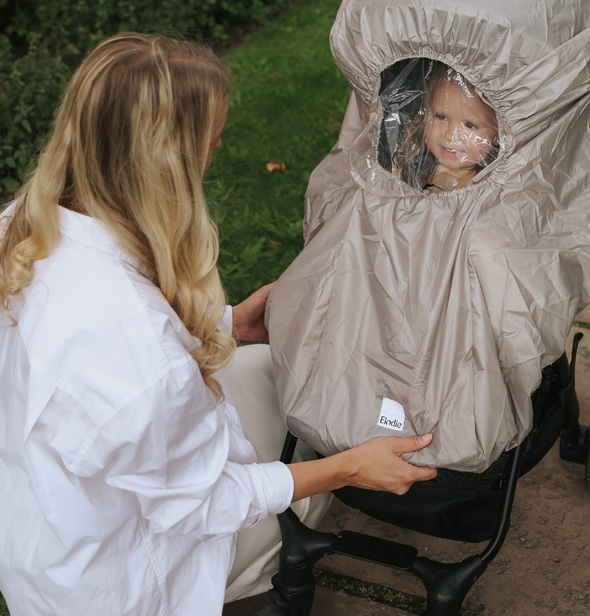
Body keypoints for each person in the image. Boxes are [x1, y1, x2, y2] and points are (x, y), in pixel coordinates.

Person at [0, 33, 436, 616]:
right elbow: (204, 503)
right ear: (163, 164)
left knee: (268, 369)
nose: (218, 150)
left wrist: (225, 319)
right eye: (209, 143)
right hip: (123, 580)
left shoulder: (22, 227)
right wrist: (349, 469)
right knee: (310, 438)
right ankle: (261, 582)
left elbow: (101, 345)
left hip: (45, 527)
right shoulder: (139, 353)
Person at [392, 61, 499, 191]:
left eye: (470, 125)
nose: (450, 135)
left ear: (497, 135)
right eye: (441, 116)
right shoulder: (407, 168)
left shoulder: (495, 184)